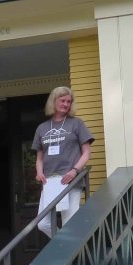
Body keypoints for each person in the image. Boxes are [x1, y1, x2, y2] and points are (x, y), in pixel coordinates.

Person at [32, 86, 94, 237]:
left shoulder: (76, 123)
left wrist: (75, 171)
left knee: (70, 223)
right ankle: (64, 244)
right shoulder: (42, 128)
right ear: (54, 101)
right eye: (62, 100)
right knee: (43, 224)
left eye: (69, 101)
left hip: (70, 181)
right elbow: (39, 157)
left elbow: (86, 152)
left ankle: (69, 253)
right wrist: (39, 173)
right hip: (50, 183)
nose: (66, 104)